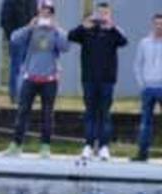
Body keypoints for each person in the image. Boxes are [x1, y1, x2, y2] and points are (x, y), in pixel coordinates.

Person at [4, 1, 69, 159]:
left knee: (47, 114)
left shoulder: (56, 31)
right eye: (43, 12)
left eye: (49, 12)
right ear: (38, 13)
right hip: (30, 77)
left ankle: (45, 146)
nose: (46, 15)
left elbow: (65, 46)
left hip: (49, 79)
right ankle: (16, 145)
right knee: (22, 112)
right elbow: (14, 39)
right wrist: (29, 26)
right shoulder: (31, 30)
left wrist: (57, 29)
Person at [68, 2, 128, 161]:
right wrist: (84, 25)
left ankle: (103, 146)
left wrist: (112, 26)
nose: (102, 17)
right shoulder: (87, 31)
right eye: (100, 13)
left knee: (104, 113)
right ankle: (88, 145)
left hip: (107, 79)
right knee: (90, 112)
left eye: (105, 14)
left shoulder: (113, 32)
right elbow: (71, 36)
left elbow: (124, 41)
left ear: (109, 15)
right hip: (89, 78)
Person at [134, 13, 162, 162]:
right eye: (157, 23)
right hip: (148, 89)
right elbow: (137, 65)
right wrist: (142, 85)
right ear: (152, 24)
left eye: (161, 23)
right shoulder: (144, 43)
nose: (159, 26)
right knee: (145, 122)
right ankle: (142, 154)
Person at [1, 0, 39, 103]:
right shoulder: (10, 1)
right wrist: (12, 36)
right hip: (17, 39)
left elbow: (36, 16)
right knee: (17, 68)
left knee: (29, 69)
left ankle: (27, 96)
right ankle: (15, 95)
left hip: (30, 39)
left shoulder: (33, 2)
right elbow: (4, 20)